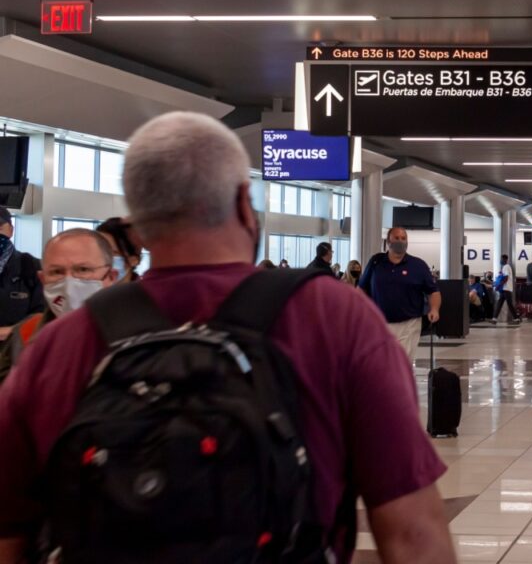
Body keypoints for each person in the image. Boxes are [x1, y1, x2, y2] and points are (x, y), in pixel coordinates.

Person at [0, 112, 455, 563]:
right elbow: (413, 532)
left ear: (136, 225)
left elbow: (9, 533)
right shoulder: (335, 319)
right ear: (243, 204)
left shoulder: (59, 345)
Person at [0, 229, 120, 384]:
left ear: (111, 277)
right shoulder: (25, 333)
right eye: (57, 272)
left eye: (83, 270)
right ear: (42, 279)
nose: (69, 283)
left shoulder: (137, 337)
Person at [358, 227, 442, 360]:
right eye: (397, 238)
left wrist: (434, 309)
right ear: (388, 241)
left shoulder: (418, 266)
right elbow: (361, 289)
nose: (400, 241)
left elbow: (433, 292)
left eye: (404, 238)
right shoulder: (376, 262)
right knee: (380, 362)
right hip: (379, 323)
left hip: (409, 323)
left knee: (401, 363)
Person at [0, 208, 43, 342]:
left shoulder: (32, 267)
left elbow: (43, 316)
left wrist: (11, 331)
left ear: (11, 230)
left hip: (14, 354)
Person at [96, 217, 143, 283]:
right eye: (95, 251)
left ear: (133, 260)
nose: (97, 259)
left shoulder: (146, 292)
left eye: (109, 253)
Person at [492, 253, 520, 323]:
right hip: (505, 289)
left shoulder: (506, 266)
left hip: (506, 289)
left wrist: (498, 285)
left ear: (505, 259)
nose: (500, 260)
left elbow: (506, 278)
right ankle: (494, 318)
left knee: (509, 304)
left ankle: (516, 318)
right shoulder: (505, 267)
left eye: (501, 259)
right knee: (500, 303)